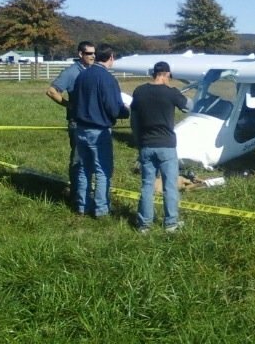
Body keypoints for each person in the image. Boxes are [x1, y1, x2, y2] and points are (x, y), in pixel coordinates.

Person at [130, 61, 192, 233]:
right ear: (166, 74)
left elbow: (133, 119)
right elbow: (189, 106)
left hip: (146, 145)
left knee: (147, 185)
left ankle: (144, 225)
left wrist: (138, 141)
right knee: (169, 186)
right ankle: (171, 224)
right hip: (166, 146)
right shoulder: (171, 92)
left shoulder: (139, 91)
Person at [72, 43, 129, 217]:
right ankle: (101, 209)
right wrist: (125, 111)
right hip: (99, 130)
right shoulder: (107, 79)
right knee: (103, 170)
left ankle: (82, 206)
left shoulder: (82, 75)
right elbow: (113, 107)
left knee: (83, 169)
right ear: (110, 58)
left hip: (80, 128)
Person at [45, 41, 95, 204]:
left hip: (93, 123)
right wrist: (68, 104)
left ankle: (87, 190)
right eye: (89, 54)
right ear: (80, 54)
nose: (93, 56)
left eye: (94, 53)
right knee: (78, 160)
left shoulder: (93, 70)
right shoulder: (71, 72)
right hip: (77, 123)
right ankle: (76, 195)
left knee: (92, 159)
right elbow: (52, 91)